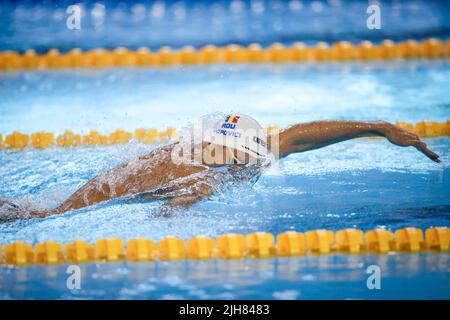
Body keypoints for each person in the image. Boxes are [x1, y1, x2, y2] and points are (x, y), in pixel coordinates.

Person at [0, 114, 440, 222]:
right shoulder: (208, 169)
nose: (262, 154)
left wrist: (378, 127)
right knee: (41, 216)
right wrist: (172, 214)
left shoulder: (229, 153)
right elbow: (184, 200)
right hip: (81, 206)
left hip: (101, 190)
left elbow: (297, 136)